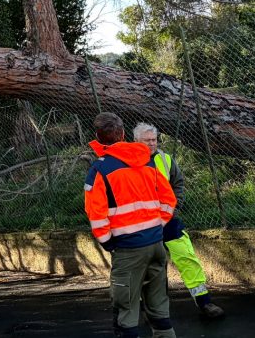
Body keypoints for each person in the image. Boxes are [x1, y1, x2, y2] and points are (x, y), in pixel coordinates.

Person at [85, 112, 178, 338]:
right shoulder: (147, 161)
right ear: (124, 134)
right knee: (159, 309)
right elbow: (169, 200)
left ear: (97, 138)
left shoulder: (100, 169)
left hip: (127, 249)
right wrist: (158, 225)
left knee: (125, 311)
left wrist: (107, 242)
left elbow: (95, 213)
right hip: (155, 243)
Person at [132, 123, 225, 319]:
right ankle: (149, 304)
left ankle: (204, 302)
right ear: (135, 141)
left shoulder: (166, 160)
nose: (151, 144)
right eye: (146, 140)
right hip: (142, 223)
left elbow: (178, 184)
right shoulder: (127, 163)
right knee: (147, 264)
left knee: (186, 256)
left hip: (168, 220)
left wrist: (174, 207)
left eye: (154, 140)